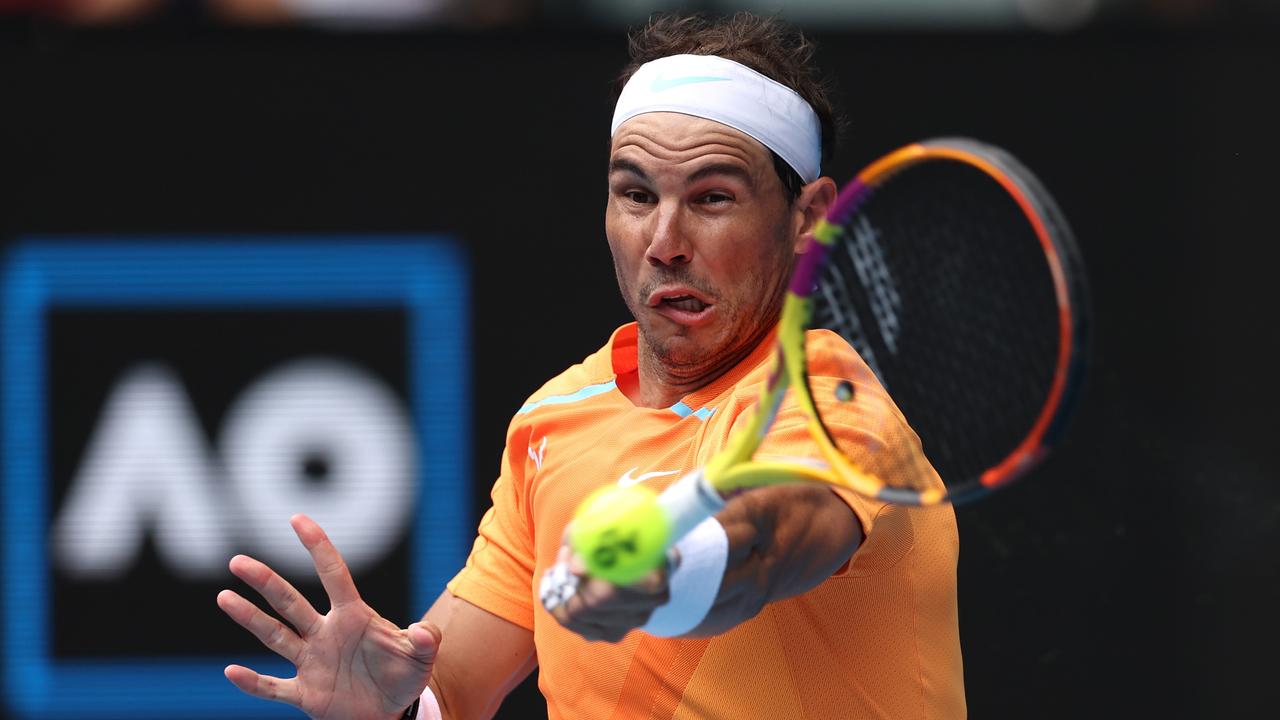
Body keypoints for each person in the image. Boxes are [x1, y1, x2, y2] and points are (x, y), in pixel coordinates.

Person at [217, 12, 965, 719]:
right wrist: (393, 705)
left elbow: (775, 540)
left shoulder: (831, 400)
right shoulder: (556, 420)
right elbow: (455, 681)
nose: (664, 240)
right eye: (636, 194)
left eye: (712, 197)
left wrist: (671, 570)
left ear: (807, 216)